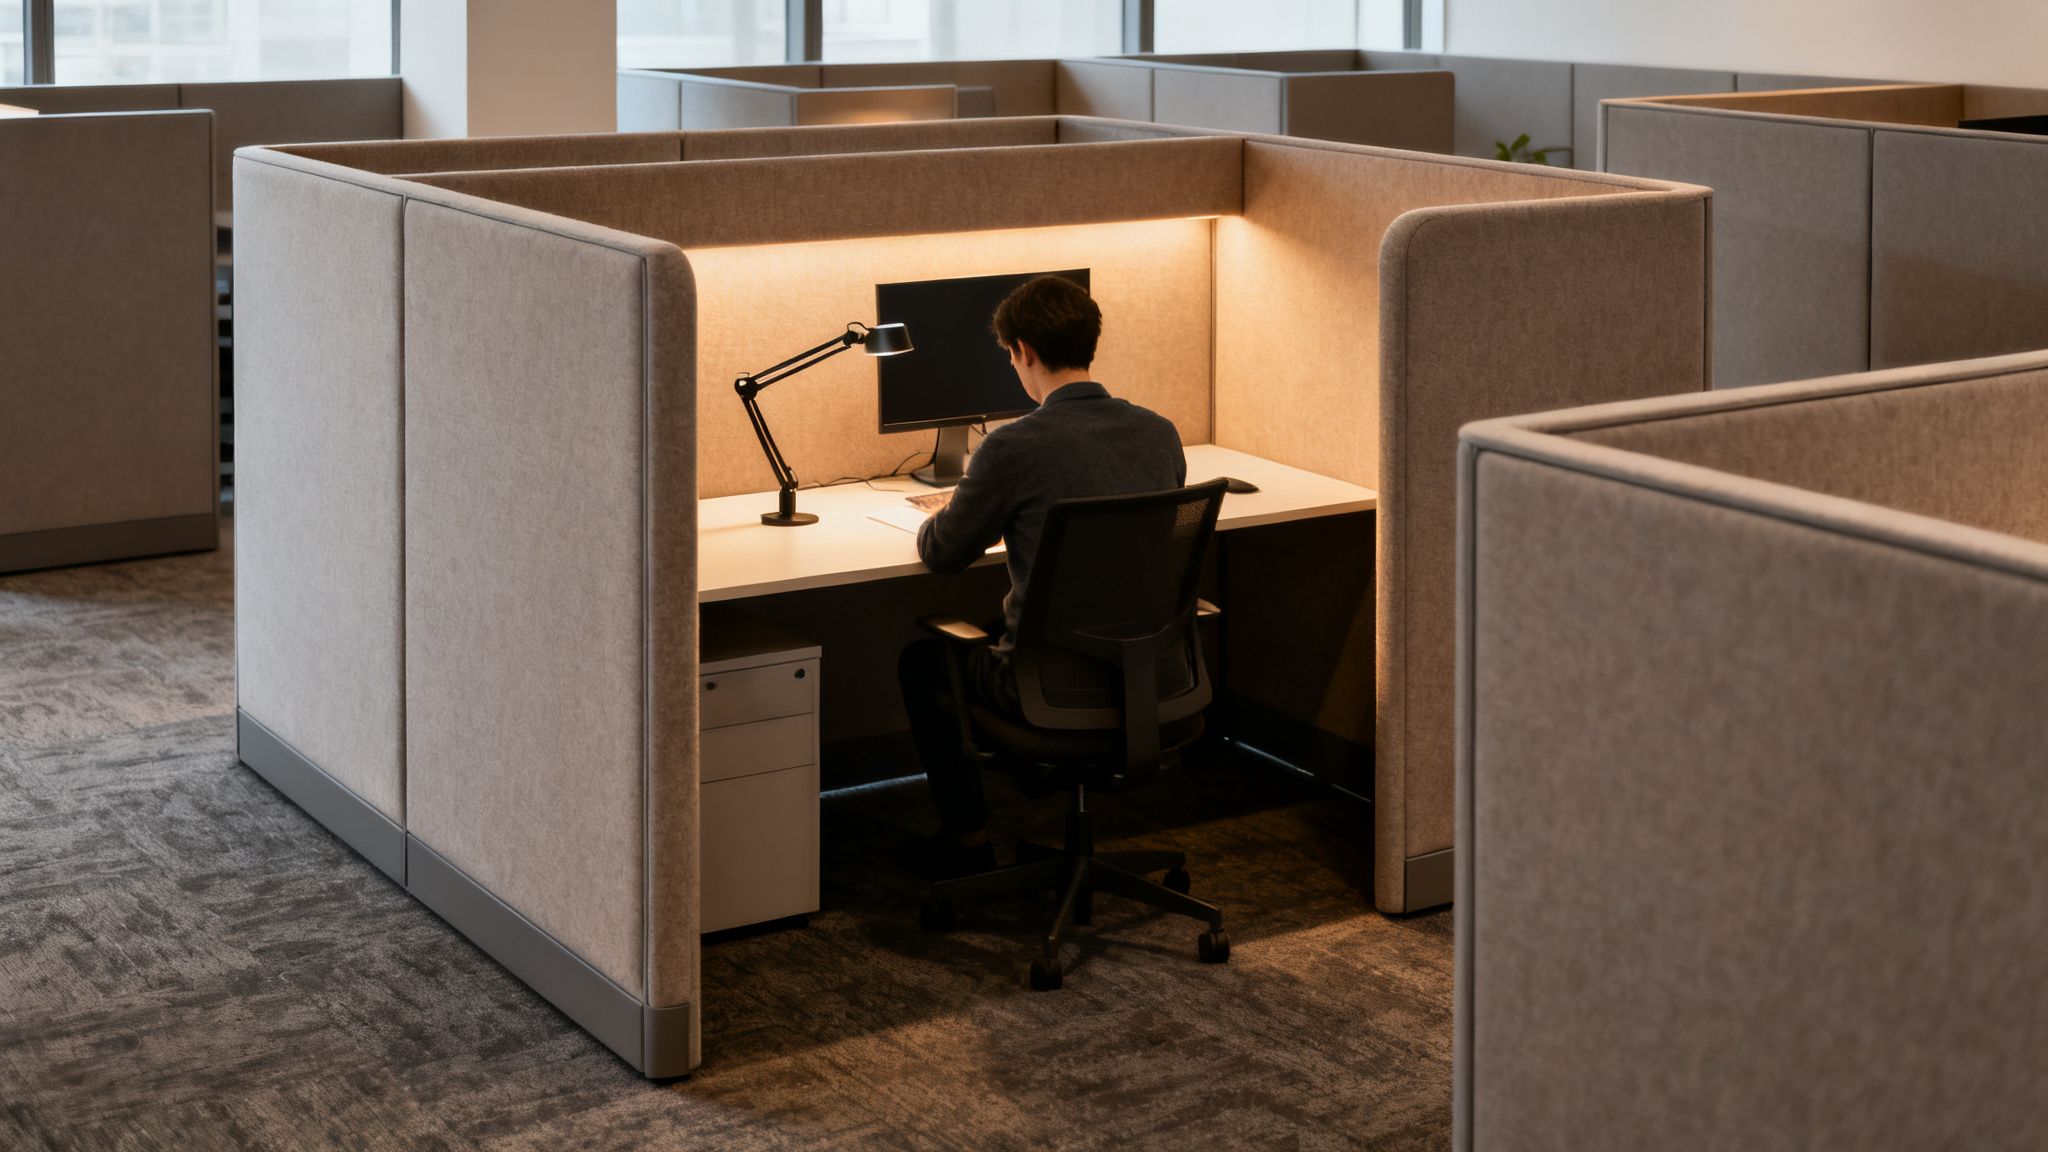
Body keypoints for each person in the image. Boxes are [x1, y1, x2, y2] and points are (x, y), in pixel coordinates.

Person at [895, 274, 1186, 879]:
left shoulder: (1013, 447)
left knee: (924, 662)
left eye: (1010, 356)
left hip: (1048, 687)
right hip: (1149, 674)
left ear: (1023, 350)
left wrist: (955, 504)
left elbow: (943, 554)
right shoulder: (1160, 434)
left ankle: (970, 841)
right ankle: (1034, 797)